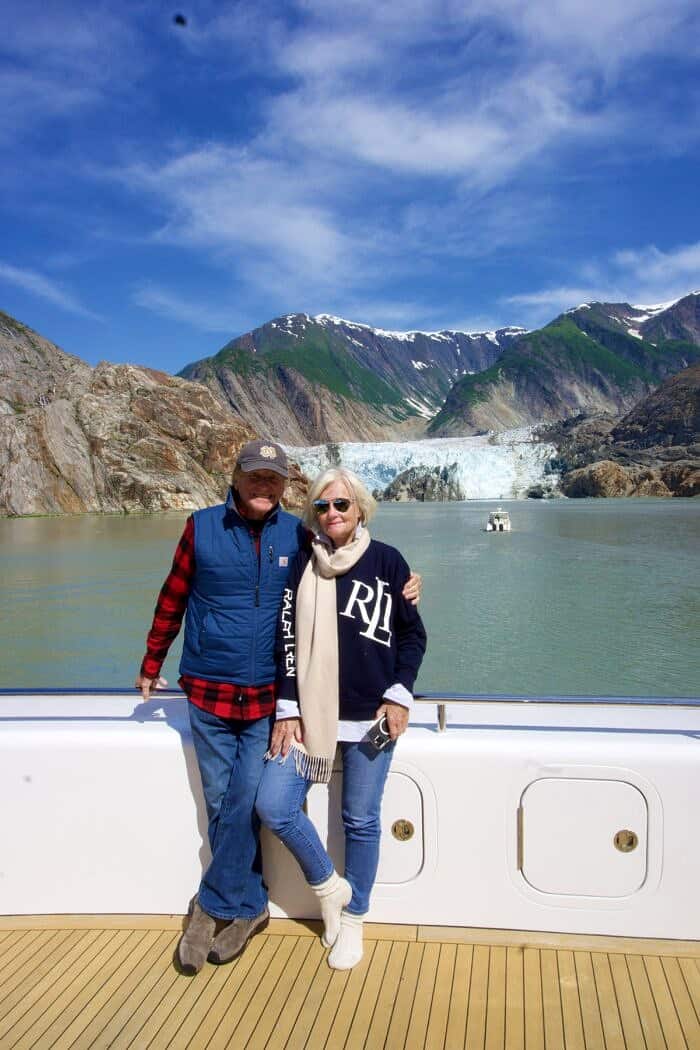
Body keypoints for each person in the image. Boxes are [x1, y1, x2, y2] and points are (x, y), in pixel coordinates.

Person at [135, 441, 421, 974]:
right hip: (230, 695)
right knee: (237, 803)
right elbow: (175, 599)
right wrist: (153, 661)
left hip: (298, 704)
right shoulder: (218, 531)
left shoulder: (317, 541)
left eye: (273, 477)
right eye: (255, 475)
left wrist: (408, 599)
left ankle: (242, 908)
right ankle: (252, 904)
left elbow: (391, 610)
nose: (331, 513)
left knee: (293, 807)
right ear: (236, 477)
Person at [256, 467, 427, 970]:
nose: (332, 513)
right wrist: (287, 706)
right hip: (311, 716)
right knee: (274, 804)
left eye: (341, 504)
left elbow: (413, 636)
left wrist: (399, 696)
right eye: (323, 506)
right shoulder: (303, 564)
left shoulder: (388, 561)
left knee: (361, 820)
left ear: (360, 509)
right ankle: (330, 888)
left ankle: (355, 919)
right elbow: (287, 639)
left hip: (373, 719)